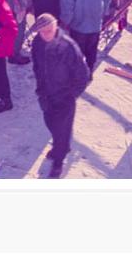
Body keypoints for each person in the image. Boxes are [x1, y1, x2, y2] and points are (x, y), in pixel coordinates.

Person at [30, 13, 91, 178]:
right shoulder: (37, 44)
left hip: (64, 97)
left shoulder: (68, 46)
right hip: (46, 94)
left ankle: (58, 160)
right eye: (43, 32)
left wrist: (71, 96)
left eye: (50, 30)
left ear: (56, 26)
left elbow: (83, 75)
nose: (47, 34)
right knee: (50, 122)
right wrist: (40, 87)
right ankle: (61, 146)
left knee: (61, 129)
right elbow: (37, 65)